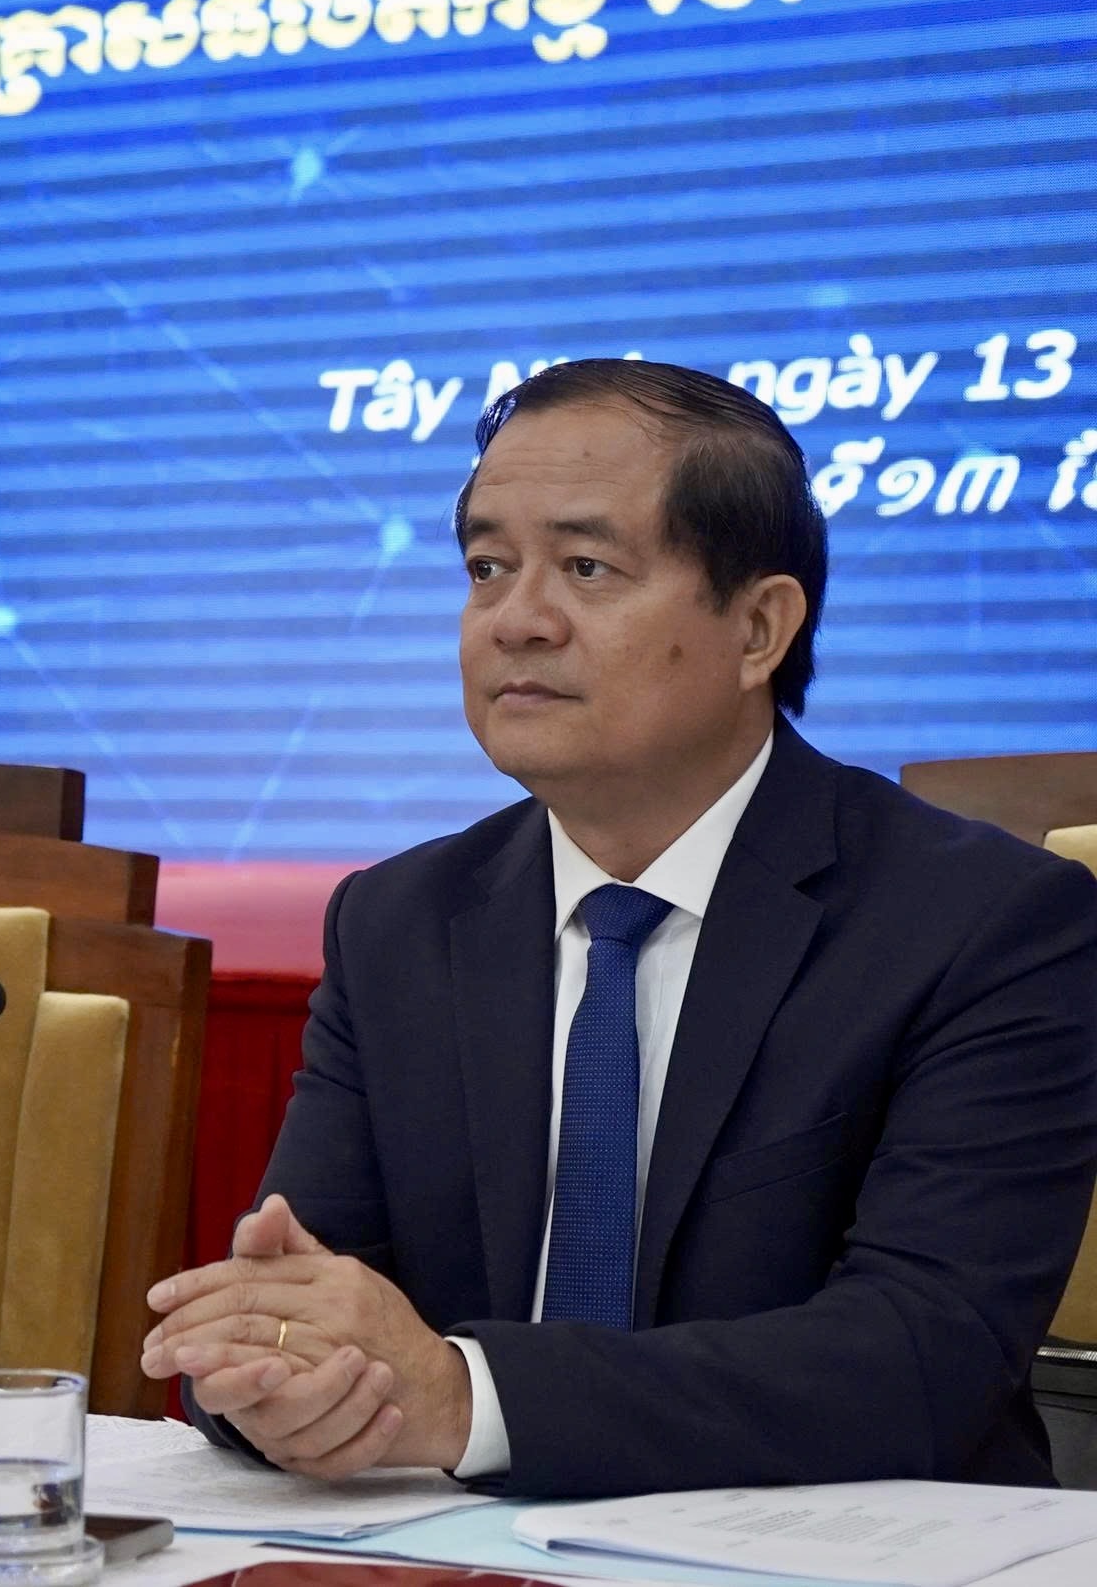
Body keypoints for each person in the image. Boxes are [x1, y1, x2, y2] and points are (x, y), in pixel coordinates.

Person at [142, 360, 1097, 1496]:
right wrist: (271, 1378)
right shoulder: (397, 922)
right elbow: (299, 1300)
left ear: (758, 628)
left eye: (586, 568)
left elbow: (923, 1357)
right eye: (488, 568)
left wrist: (469, 1400)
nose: (516, 621)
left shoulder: (985, 923)